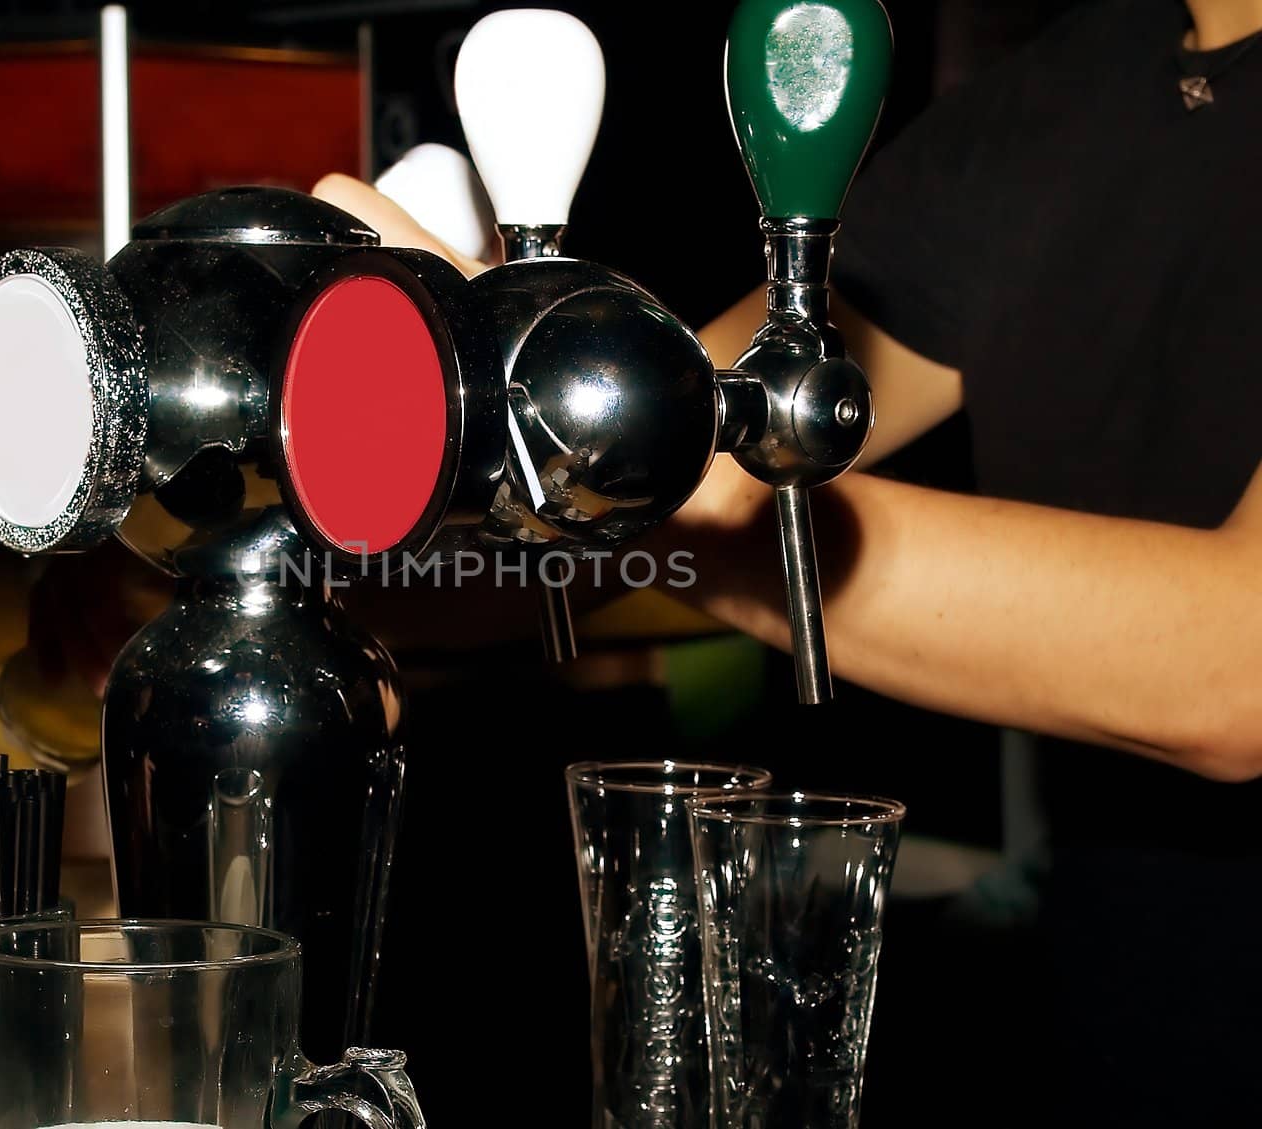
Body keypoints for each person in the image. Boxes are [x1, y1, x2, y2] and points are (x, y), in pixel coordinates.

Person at [313, 0, 1261, 1121]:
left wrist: (612, 454)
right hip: (1111, 1013)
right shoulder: (1069, 93)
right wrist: (223, 569)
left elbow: (1234, 664)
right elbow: (641, 446)